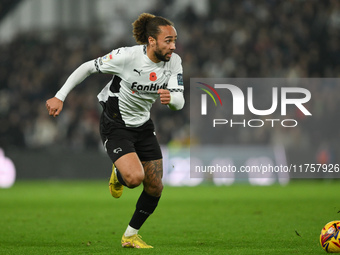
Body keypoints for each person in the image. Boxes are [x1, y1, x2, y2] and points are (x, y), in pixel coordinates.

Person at [46, 13, 184, 248]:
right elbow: (87, 67)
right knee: (134, 178)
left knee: (155, 186)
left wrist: (171, 98)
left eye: (174, 40)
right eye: (168, 40)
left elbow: (179, 101)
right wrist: (60, 97)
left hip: (143, 125)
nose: (173, 46)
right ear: (151, 41)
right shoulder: (126, 56)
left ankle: (130, 236)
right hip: (115, 124)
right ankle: (119, 174)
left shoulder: (174, 61)